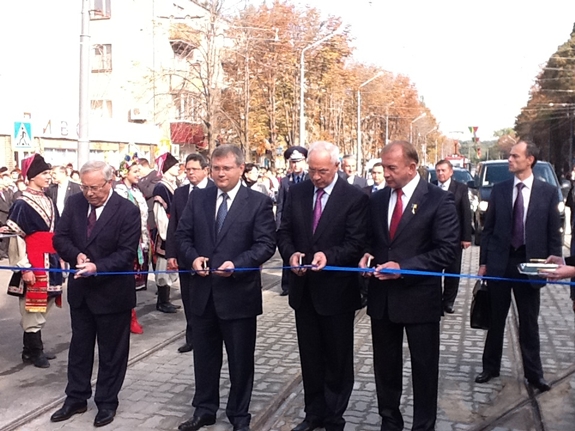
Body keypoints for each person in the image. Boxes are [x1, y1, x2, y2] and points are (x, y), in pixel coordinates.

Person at [358, 141, 459, 431]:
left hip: (419, 299)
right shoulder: (377, 199)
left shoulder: (438, 200)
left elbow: (447, 251)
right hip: (383, 300)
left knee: (424, 369)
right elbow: (371, 240)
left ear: (412, 167)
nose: (385, 174)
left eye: (392, 168)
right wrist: (366, 255)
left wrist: (404, 269)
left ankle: (423, 425)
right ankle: (390, 421)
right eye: (383, 167)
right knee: (385, 368)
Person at [175, 144, 276, 431]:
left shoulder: (257, 202)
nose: (220, 173)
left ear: (241, 169)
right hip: (203, 294)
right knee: (204, 358)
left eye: (226, 168)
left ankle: (239, 415)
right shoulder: (199, 199)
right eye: (216, 168)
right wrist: (193, 258)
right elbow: (182, 236)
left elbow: (266, 244)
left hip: (238, 294)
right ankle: (204, 409)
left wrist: (238, 264)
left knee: (240, 361)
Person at [277, 141, 369, 431]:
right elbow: (284, 231)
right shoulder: (297, 192)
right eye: (312, 171)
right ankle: (313, 413)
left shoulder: (354, 197)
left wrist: (328, 257)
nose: (316, 177)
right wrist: (290, 253)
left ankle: (334, 415)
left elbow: (356, 243)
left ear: (337, 167)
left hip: (336, 292)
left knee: (337, 358)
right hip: (304, 290)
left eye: (323, 172)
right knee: (311, 357)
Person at [50, 161, 141, 428]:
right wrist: (74, 254)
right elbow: (60, 237)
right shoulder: (75, 203)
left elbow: (126, 253)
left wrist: (97, 267)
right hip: (81, 291)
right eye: (85, 187)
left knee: (112, 352)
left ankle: (107, 402)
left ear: (109, 183)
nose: (89, 193)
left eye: (95, 188)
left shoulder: (127, 211)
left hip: (112, 293)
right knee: (79, 348)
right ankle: (76, 397)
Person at [475, 140, 562, 392]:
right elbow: (487, 230)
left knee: (529, 322)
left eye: (514, 156)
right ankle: (490, 367)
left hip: (531, 264)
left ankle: (534, 374)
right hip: (501, 263)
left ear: (529, 159)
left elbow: (553, 233)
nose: (509, 160)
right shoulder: (500, 190)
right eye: (509, 156)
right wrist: (483, 262)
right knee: (496, 319)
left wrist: (554, 261)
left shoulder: (547, 192)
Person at [3, 154, 64, 368]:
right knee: (32, 307)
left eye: (49, 173)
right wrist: (24, 267)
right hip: (33, 260)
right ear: (32, 177)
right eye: (45, 173)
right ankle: (33, 350)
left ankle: (31, 348)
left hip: (51, 259)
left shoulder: (48, 199)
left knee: (44, 304)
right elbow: (17, 239)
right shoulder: (21, 203)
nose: (49, 177)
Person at [165, 153, 213, 354]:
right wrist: (171, 254)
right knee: (188, 298)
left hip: (207, 257)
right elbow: (173, 224)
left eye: (194, 169)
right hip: (185, 256)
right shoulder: (181, 193)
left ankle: (208, 337)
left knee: (206, 300)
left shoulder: (214, 190)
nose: (190, 172)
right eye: (188, 169)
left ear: (205, 170)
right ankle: (191, 337)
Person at [114, 158, 150, 334]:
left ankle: (129, 315)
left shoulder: (136, 190)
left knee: (133, 282)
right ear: (124, 173)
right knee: (125, 280)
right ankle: (127, 317)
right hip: (127, 242)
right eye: (135, 171)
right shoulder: (119, 192)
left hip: (139, 239)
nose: (139, 174)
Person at [434, 159, 472, 313]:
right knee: (434, 271)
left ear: (450, 172)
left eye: (443, 170)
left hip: (454, 238)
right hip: (434, 238)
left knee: (452, 270)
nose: (441, 173)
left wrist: (466, 237)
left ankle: (448, 301)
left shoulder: (460, 188)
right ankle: (435, 302)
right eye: (438, 171)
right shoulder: (430, 187)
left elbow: (466, 213)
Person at [276, 146, 309, 296]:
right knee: (287, 253)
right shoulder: (285, 181)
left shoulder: (309, 179)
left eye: (298, 161)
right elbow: (280, 204)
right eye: (293, 162)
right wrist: (278, 225)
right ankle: (286, 285)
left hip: (304, 223)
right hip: (289, 223)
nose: (295, 165)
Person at [152, 152, 181, 313]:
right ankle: (162, 301)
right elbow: (160, 214)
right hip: (165, 231)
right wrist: (166, 234)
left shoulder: (174, 184)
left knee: (170, 266)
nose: (178, 169)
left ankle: (166, 299)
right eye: (175, 166)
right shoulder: (161, 187)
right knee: (163, 265)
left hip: (174, 228)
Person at [0, 173, 15, 259]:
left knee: (6, 237)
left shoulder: (6, 192)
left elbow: (10, 202)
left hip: (7, 216)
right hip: (1, 216)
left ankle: (4, 252)